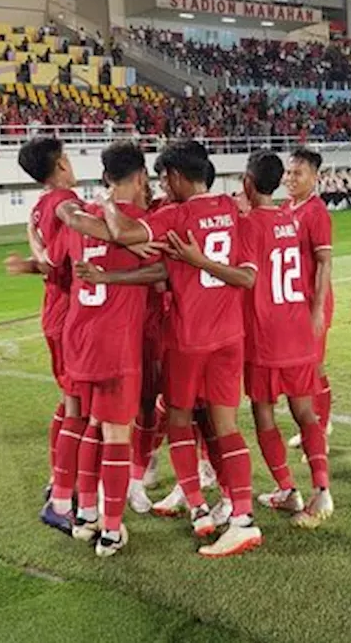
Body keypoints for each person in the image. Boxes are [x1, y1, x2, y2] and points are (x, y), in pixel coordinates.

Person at [94, 140, 263, 558]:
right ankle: (242, 517)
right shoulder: (229, 208)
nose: (161, 188)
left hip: (189, 338)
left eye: (163, 179)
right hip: (229, 337)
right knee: (227, 428)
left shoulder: (175, 214)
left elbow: (122, 232)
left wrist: (108, 201)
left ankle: (199, 509)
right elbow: (242, 278)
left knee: (180, 421)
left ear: (172, 175)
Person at [62, 141, 168, 558]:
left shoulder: (81, 217)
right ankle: (110, 528)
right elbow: (161, 275)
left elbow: (62, 213)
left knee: (92, 425)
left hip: (79, 339)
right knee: (117, 434)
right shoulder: (143, 225)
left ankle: (85, 515)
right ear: (141, 176)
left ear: (105, 177)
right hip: (116, 343)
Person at [219, 151, 333, 527]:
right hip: (296, 328)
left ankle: (286, 488)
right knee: (305, 412)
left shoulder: (249, 225)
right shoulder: (290, 218)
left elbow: (245, 275)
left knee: (264, 414)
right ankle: (321, 490)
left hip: (264, 335)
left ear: (249, 184)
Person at [5, 136, 100, 535]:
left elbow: (44, 262)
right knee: (81, 410)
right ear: (61, 163)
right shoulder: (66, 205)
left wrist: (29, 253)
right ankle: (61, 499)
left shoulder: (42, 205)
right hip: (69, 319)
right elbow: (52, 262)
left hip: (58, 314)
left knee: (69, 405)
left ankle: (61, 481)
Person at [283, 148, 334, 450]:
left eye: (297, 173)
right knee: (301, 370)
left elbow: (325, 262)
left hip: (312, 303)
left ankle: (321, 428)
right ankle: (310, 427)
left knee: (314, 368)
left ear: (314, 178)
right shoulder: (288, 208)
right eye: (289, 172)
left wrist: (317, 310)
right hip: (292, 304)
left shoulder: (316, 213)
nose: (290, 178)